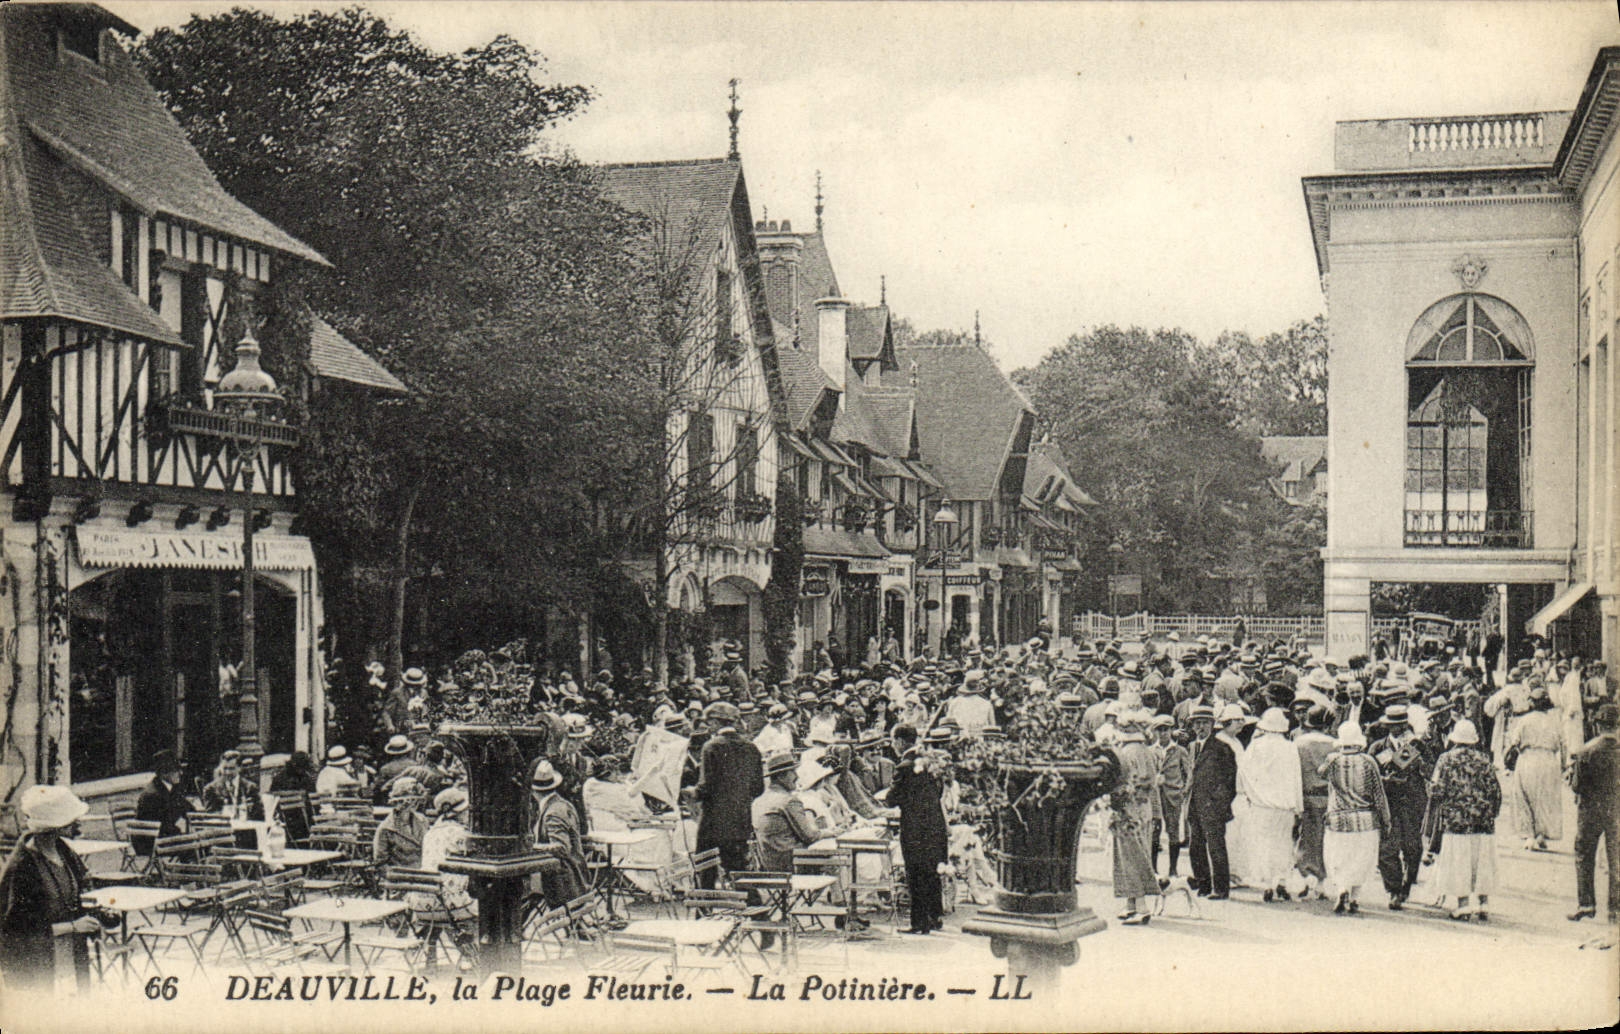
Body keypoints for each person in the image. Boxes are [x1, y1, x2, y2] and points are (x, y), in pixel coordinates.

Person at [0, 785, 99, 992]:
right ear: (55, 825)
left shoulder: (66, 854)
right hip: (37, 965)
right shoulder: (22, 867)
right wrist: (73, 926)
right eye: (72, 819)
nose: (78, 822)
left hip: (70, 957)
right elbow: (16, 929)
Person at [1424, 719, 1500, 920]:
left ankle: (1463, 904)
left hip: (1456, 820)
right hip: (1483, 821)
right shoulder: (1484, 760)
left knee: (1460, 862)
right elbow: (1495, 791)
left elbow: (1436, 789)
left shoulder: (1446, 759)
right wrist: (1491, 812)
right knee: (1482, 861)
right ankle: (1483, 904)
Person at [693, 702, 764, 887]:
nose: (708, 728)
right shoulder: (751, 747)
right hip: (740, 819)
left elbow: (705, 787)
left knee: (706, 868)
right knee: (738, 870)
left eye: (709, 723)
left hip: (713, 820)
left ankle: (704, 909)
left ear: (716, 722)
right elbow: (758, 788)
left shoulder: (711, 747)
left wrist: (691, 793)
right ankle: (757, 911)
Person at [1322, 722, 1390, 915]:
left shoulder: (1332, 760)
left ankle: (1342, 888)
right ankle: (1355, 898)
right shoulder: (1368, 762)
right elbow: (1379, 794)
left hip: (1338, 819)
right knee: (1362, 860)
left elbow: (1322, 775)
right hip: (1365, 820)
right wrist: (1386, 819)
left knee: (1339, 857)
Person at [1368, 704, 1432, 909]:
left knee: (1412, 848)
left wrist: (1420, 763)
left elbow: (1432, 770)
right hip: (1388, 802)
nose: (1396, 729)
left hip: (1412, 802)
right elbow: (1371, 773)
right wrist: (1386, 780)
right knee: (1386, 849)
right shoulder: (1378, 747)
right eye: (1392, 725)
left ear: (1406, 725)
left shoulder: (1418, 744)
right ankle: (1394, 890)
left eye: (1400, 725)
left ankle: (1407, 883)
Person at [889, 725, 949, 934]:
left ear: (900, 741)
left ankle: (919, 923)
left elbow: (892, 798)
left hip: (915, 828)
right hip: (934, 824)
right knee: (932, 871)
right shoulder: (930, 762)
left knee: (915, 873)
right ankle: (934, 917)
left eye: (893, 740)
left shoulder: (904, 766)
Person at [1240, 708, 1304, 902]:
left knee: (1263, 844)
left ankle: (1267, 883)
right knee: (1283, 844)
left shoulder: (1255, 746)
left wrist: (1252, 794)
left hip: (1261, 805)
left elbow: (1244, 773)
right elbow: (1296, 778)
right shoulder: (1289, 747)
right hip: (1284, 806)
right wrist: (1298, 806)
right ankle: (1281, 881)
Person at [1567, 703, 1618, 929]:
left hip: (1590, 810)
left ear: (1597, 725)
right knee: (1616, 858)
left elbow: (1577, 786)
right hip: (1616, 809)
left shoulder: (1586, 751)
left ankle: (1586, 904)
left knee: (1584, 853)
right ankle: (1615, 908)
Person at [1186, 703, 1241, 899]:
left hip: (1212, 808)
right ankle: (1203, 885)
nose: (1200, 728)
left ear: (1212, 724)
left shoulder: (1221, 749)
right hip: (1194, 806)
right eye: (1196, 724)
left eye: (1204, 723)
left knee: (1216, 847)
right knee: (1196, 847)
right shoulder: (1192, 747)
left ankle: (1220, 888)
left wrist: (1218, 804)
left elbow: (1229, 782)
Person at [1110, 712, 1160, 924]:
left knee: (1131, 855)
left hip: (1129, 809)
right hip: (1141, 808)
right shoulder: (1144, 750)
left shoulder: (1127, 752)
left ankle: (1140, 904)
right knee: (1135, 852)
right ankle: (1131, 903)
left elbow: (1138, 783)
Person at [1505, 686, 1566, 851]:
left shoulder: (1525, 720)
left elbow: (1514, 741)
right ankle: (1541, 834)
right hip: (1549, 760)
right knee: (1546, 799)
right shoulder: (1554, 721)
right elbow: (1563, 744)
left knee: (1524, 795)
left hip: (1528, 758)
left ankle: (1529, 835)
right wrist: (1564, 766)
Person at [530, 760, 588, 909]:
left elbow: (562, 848)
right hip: (572, 877)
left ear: (532, 790)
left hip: (562, 881)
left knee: (514, 890)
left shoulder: (553, 811)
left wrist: (531, 846)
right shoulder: (561, 804)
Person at [752, 753, 822, 873]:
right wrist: (830, 833)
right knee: (839, 859)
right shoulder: (788, 801)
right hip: (793, 864)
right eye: (793, 772)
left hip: (768, 865)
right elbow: (810, 836)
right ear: (780, 776)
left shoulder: (758, 801)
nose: (797, 776)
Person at [1293, 704, 1337, 890]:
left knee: (1307, 836)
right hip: (1328, 797)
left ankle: (1307, 873)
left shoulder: (1299, 743)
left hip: (1305, 795)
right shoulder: (1334, 743)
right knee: (1326, 838)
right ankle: (1322, 877)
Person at [133, 749, 192, 858]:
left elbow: (188, 809)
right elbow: (163, 826)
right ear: (164, 773)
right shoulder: (153, 795)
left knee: (199, 842)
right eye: (176, 770)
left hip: (163, 837)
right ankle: (186, 872)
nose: (181, 773)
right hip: (150, 843)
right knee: (196, 845)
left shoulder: (171, 788)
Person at [1154, 716, 1193, 878]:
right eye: (1160, 730)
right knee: (1154, 831)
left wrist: (1183, 791)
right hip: (1155, 796)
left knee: (1173, 831)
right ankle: (1153, 868)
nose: (1163, 733)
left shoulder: (1179, 751)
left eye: (1166, 729)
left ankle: (1173, 868)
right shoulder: (1151, 750)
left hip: (1173, 795)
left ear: (1171, 731)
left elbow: (1190, 772)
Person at [372, 777, 430, 869]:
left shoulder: (422, 820)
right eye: (411, 800)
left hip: (424, 872)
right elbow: (380, 863)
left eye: (416, 800)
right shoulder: (386, 829)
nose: (415, 803)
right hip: (400, 877)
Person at [374, 735, 416, 803]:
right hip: (413, 800)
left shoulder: (386, 768)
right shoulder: (415, 765)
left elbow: (379, 787)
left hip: (392, 800)